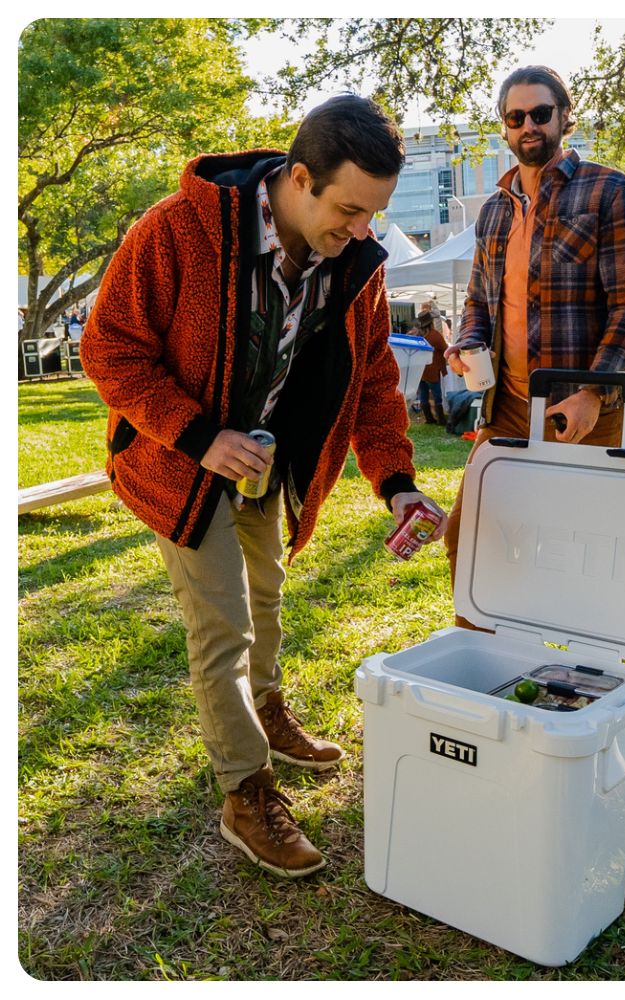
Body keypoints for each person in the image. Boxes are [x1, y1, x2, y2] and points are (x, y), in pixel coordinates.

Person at [81, 94, 447, 878]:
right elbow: (108, 347)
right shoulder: (176, 230)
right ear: (300, 176)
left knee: (268, 597)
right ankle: (245, 791)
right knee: (224, 627)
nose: (360, 232)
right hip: (178, 461)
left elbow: (375, 381)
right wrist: (198, 436)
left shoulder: (353, 257)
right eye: (349, 210)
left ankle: (267, 709)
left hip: (267, 463)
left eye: (372, 216)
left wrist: (398, 483)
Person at [443, 65, 625, 626]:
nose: (528, 125)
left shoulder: (612, 190)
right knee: (469, 542)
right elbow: (478, 305)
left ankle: (571, 678)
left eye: (540, 113)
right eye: (516, 117)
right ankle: (483, 664)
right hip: (507, 407)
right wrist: (466, 345)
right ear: (504, 129)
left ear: (565, 117)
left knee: (584, 558)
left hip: (586, 411)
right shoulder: (493, 210)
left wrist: (593, 392)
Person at [415, 300, 450, 424]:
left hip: (420, 370)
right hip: (432, 371)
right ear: (431, 322)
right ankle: (441, 420)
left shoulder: (417, 335)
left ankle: (429, 419)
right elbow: (446, 350)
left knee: (423, 396)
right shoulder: (435, 335)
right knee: (437, 396)